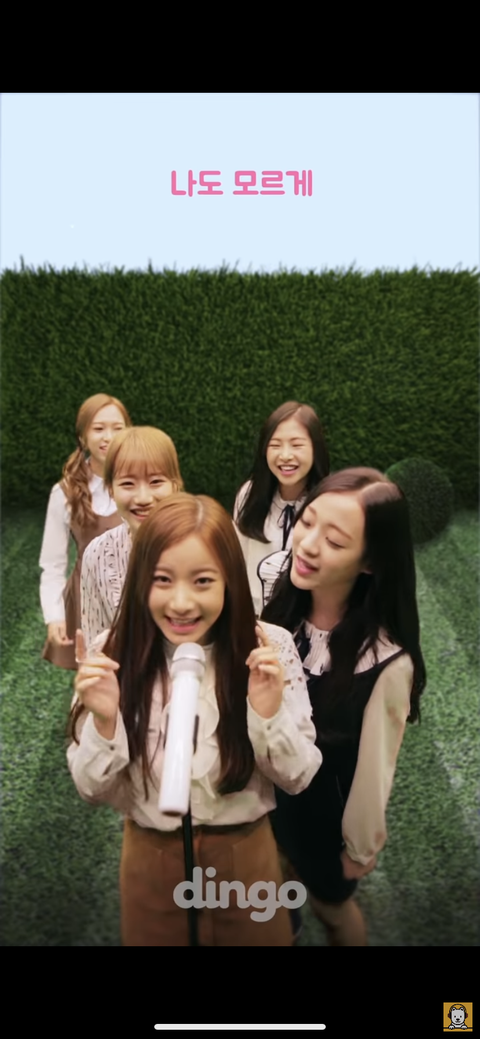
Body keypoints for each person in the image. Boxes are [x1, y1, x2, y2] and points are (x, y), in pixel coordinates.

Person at [68, 494, 322, 947]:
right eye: (162, 580)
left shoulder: (271, 647)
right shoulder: (112, 652)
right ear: (140, 580)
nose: (181, 603)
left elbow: (298, 776)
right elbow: (91, 788)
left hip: (246, 859)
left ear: (229, 581)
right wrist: (105, 722)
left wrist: (267, 713)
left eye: (203, 581)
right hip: (151, 860)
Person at [262, 468, 426, 947]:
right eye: (307, 522)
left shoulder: (387, 662)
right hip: (268, 800)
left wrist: (359, 847)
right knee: (273, 887)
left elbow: (376, 770)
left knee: (332, 910)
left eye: (334, 541)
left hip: (322, 820)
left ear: (371, 562)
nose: (308, 545)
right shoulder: (281, 611)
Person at [39, 393, 131, 670]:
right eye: (98, 428)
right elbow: (53, 564)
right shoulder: (63, 493)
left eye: (117, 428)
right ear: (82, 437)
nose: (108, 437)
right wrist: (54, 615)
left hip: (134, 594)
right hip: (86, 599)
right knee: (94, 676)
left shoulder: (143, 484)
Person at [81, 426, 183, 652]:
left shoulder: (204, 546)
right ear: (110, 489)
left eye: (156, 482)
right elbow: (94, 643)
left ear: (175, 485)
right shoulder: (97, 554)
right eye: (127, 484)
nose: (143, 498)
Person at [233, 401, 329, 617]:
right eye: (275, 445)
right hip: (254, 618)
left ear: (316, 448)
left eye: (296, 445)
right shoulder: (249, 494)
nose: (285, 455)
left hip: (305, 620)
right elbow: (237, 560)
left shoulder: (327, 502)